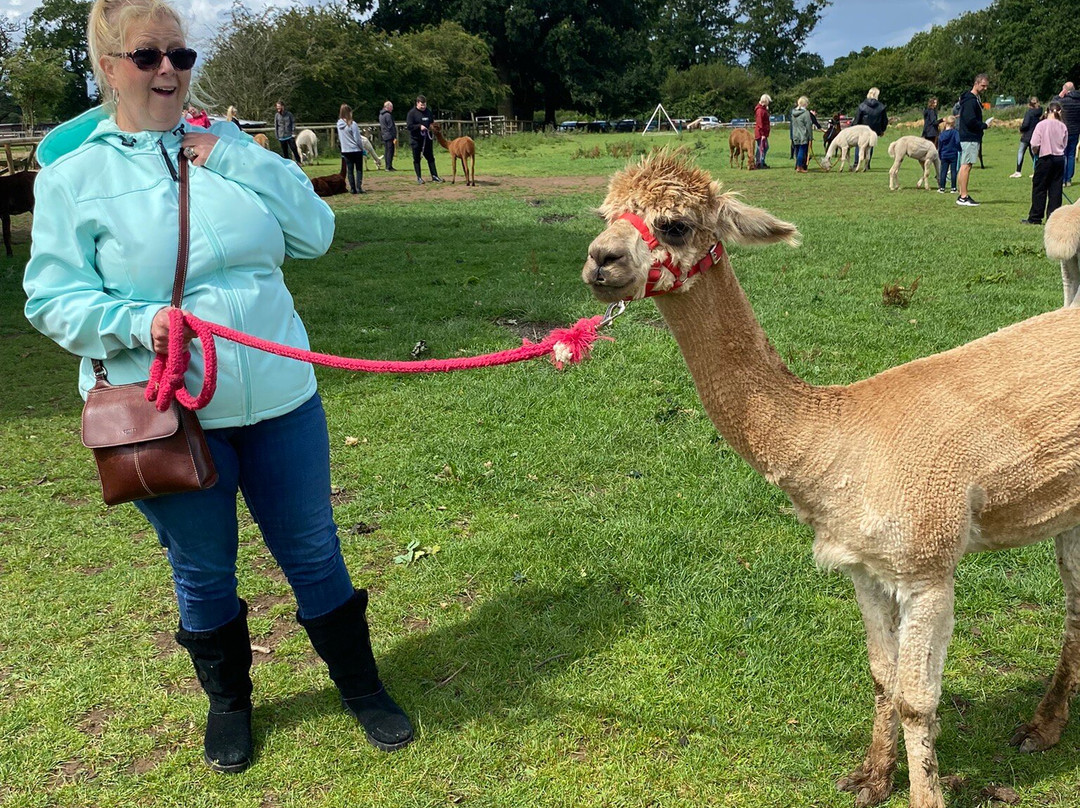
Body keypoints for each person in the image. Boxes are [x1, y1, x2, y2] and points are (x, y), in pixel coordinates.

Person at [23, 0, 414, 774]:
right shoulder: (74, 179)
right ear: (110, 68)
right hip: (168, 413)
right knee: (202, 570)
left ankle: (363, 686)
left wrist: (235, 155)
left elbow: (316, 233)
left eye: (181, 55)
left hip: (280, 399)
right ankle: (230, 704)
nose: (169, 70)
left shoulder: (232, 146)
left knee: (313, 550)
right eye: (147, 57)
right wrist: (141, 324)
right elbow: (50, 299)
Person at [1022, 99, 1068, 225]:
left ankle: (1035, 217)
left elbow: (1034, 143)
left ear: (1047, 111)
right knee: (1055, 189)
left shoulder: (1041, 125)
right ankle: (1053, 218)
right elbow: (1065, 144)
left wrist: (1036, 152)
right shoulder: (1063, 126)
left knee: (1039, 188)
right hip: (1059, 159)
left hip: (1045, 158)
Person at [956, 73, 990, 207]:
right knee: (966, 165)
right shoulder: (970, 100)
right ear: (976, 83)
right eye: (983, 86)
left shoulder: (972, 99)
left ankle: (961, 193)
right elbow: (970, 120)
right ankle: (963, 196)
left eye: (986, 86)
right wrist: (984, 125)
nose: (985, 88)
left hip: (968, 136)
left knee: (964, 165)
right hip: (969, 136)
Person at [405, 94, 442, 184]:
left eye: (424, 105)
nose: (423, 107)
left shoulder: (428, 112)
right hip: (416, 139)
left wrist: (432, 127)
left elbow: (431, 122)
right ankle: (419, 177)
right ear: (417, 103)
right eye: (422, 105)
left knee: (430, 158)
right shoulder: (412, 113)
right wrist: (419, 126)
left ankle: (434, 176)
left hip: (427, 139)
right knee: (417, 159)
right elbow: (409, 126)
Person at [852, 87, 887, 169]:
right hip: (873, 130)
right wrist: (882, 130)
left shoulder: (862, 106)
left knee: (859, 145)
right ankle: (867, 164)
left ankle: (856, 163)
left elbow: (857, 118)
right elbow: (884, 120)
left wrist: (854, 127)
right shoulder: (881, 107)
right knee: (870, 146)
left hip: (862, 129)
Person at [336, 104, 365, 194]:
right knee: (359, 169)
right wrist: (362, 148)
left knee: (350, 170)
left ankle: (352, 188)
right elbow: (357, 139)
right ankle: (359, 187)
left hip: (346, 150)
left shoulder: (338, 125)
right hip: (356, 150)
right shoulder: (353, 124)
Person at [1012, 96, 1042, 178]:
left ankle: (1018, 171)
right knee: (1034, 154)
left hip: (1026, 136)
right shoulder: (1040, 112)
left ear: (1029, 104)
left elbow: (1026, 124)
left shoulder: (1029, 112)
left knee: (1021, 152)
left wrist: (1021, 129)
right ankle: (1037, 171)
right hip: (1035, 135)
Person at [1057, 82, 1080, 186]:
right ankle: (1069, 179)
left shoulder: (1063, 101)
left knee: (1063, 154)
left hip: (1064, 130)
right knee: (1071, 155)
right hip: (1075, 131)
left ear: (1065, 90)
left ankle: (1062, 179)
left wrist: (1059, 95)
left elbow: (1053, 104)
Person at [937, 116, 960, 193]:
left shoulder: (942, 134)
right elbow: (957, 142)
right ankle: (953, 188)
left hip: (944, 154)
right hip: (953, 154)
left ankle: (942, 188)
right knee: (953, 171)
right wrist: (959, 149)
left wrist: (940, 155)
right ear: (954, 124)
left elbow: (939, 146)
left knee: (943, 171)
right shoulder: (955, 132)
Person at [274, 99, 302, 164]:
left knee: (294, 148)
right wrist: (277, 135)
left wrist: (293, 133)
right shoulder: (277, 115)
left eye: (279, 106)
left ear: (283, 106)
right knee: (285, 151)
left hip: (289, 135)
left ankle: (298, 161)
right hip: (281, 136)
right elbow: (276, 126)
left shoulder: (289, 114)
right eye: (277, 107)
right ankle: (287, 163)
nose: (278, 108)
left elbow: (293, 123)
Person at [791, 96, 813, 174]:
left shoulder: (793, 112)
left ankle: (798, 165)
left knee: (797, 151)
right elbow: (808, 126)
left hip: (795, 134)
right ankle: (799, 167)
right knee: (802, 151)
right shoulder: (806, 113)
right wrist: (810, 137)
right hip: (803, 135)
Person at [753, 94, 771, 169]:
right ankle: (759, 162)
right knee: (762, 147)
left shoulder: (763, 109)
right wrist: (762, 134)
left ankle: (761, 161)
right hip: (761, 133)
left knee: (764, 147)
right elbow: (760, 123)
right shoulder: (760, 110)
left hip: (762, 133)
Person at [379, 100, 397, 171]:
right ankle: (388, 166)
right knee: (390, 151)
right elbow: (391, 126)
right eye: (391, 107)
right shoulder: (388, 115)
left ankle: (388, 165)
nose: (392, 108)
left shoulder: (381, 115)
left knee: (387, 151)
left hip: (384, 135)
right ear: (388, 107)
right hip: (389, 135)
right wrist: (394, 135)